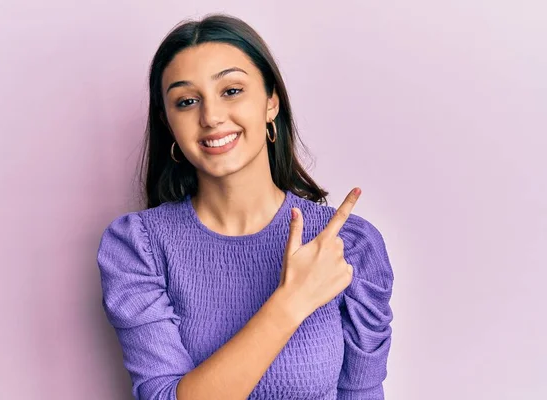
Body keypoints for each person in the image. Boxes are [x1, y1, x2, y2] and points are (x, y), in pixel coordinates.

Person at [96, 13, 394, 400]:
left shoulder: (346, 246)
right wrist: (292, 301)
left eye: (231, 91)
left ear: (271, 103)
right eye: (187, 101)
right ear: (168, 123)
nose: (211, 117)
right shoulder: (137, 247)